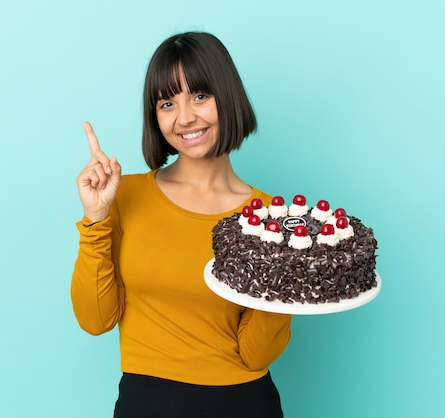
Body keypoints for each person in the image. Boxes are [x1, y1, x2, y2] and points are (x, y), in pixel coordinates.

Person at [71, 31, 292, 417]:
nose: (185, 117)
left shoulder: (270, 216)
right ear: (155, 116)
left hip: (243, 403)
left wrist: (285, 276)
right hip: (145, 403)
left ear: (228, 97)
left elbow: (256, 354)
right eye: (167, 102)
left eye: (201, 96)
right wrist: (96, 219)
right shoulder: (123, 196)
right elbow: (95, 320)